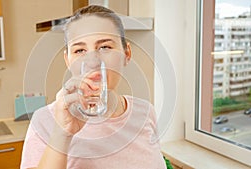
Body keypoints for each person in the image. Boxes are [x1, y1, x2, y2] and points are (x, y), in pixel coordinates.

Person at [21, 5, 167, 169]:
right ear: (68, 60)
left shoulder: (146, 112)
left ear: (127, 54)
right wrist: (61, 134)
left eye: (105, 47)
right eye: (80, 50)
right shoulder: (45, 121)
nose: (92, 61)